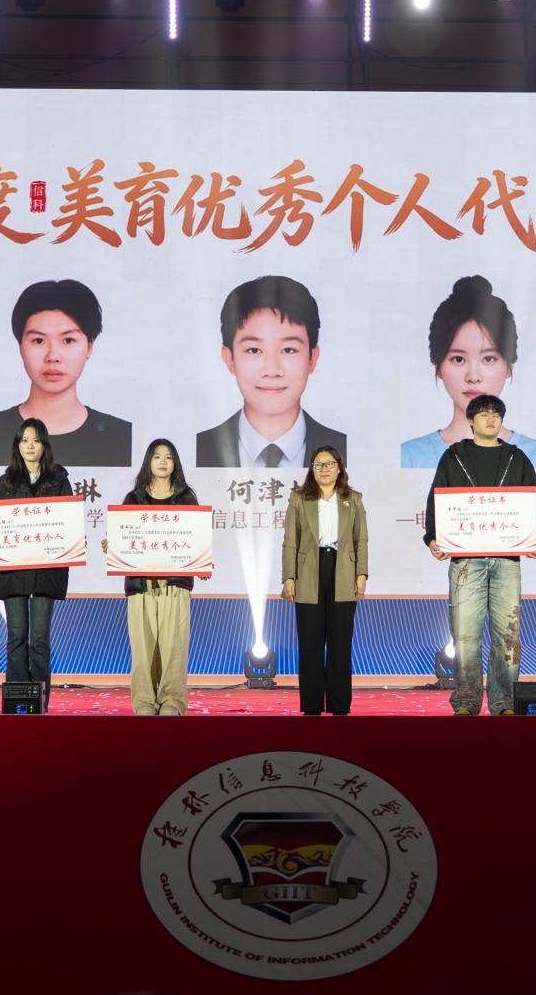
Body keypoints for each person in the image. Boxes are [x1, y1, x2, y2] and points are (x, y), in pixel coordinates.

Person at [423, 393, 536, 716]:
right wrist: (433, 537)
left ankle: (504, 701)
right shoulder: (454, 456)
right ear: (471, 420)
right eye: (483, 414)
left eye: (496, 414)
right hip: (466, 559)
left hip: (507, 559)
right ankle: (466, 700)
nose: (491, 419)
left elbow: (533, 498)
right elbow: (437, 497)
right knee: (465, 634)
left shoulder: (517, 458)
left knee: (508, 634)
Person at [401, 275, 536, 469]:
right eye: (458, 359)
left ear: (509, 366)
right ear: (438, 366)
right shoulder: (410, 457)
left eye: (488, 359)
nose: (473, 377)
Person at [197, 275, 345, 467]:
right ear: (229, 359)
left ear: (312, 358)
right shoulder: (199, 449)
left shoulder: (344, 449)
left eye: (288, 350)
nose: (272, 370)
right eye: (254, 350)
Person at [0, 280, 131, 468]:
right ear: (20, 347)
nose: (53, 356)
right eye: (38, 341)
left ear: (89, 347)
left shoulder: (122, 437)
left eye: (68, 340)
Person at [110, 439, 199, 715]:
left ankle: (172, 702)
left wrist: (201, 560)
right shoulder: (134, 499)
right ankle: (144, 702)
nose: (163, 462)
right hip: (141, 586)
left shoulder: (186, 498)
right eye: (157, 456)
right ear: (148, 461)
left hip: (175, 585)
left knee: (174, 647)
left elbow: (196, 538)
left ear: (175, 463)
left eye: (168, 457)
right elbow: (122, 536)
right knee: (142, 648)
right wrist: (113, 545)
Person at [283, 446, 370, 715]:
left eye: (329, 464)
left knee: (340, 644)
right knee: (310, 644)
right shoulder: (299, 499)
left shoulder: (352, 499)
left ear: (339, 467)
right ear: (311, 469)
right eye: (318, 464)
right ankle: (311, 707)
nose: (324, 469)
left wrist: (361, 573)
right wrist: (289, 576)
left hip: (343, 570)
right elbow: (290, 541)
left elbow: (361, 539)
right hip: (308, 571)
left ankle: (339, 706)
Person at [0, 418, 73, 695]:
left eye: (36, 441)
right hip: (13, 572)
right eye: (24, 440)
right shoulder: (5, 483)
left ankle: (40, 699)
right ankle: (17, 697)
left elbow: (69, 523)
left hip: (46, 572)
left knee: (39, 639)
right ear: (17, 446)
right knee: (16, 636)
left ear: (44, 445)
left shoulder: (59, 480)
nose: (30, 446)